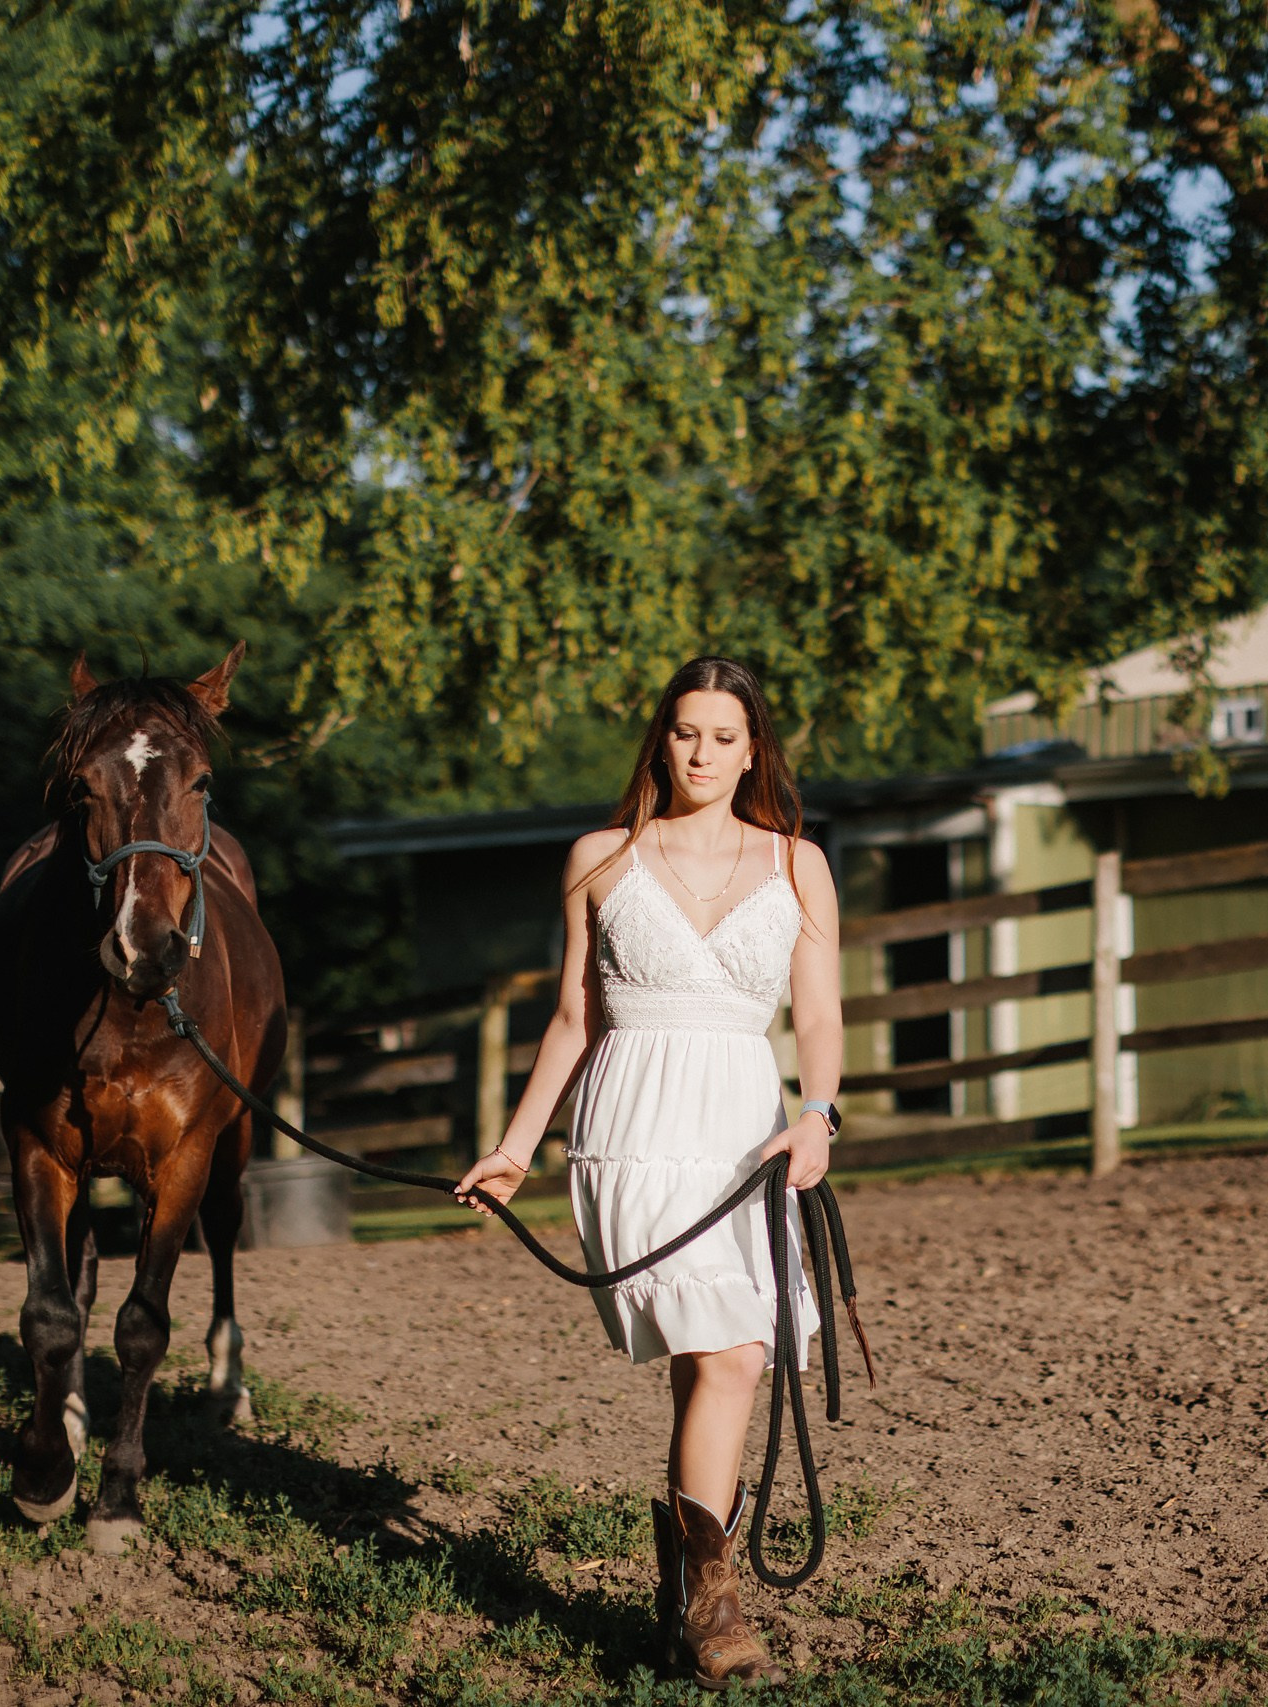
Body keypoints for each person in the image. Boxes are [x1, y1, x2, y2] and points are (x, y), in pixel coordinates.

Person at [456, 656, 841, 1689]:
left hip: (749, 1130)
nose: (703, 753)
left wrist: (818, 1115)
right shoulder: (600, 857)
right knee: (730, 1352)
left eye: (724, 736)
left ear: (752, 748)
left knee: (715, 1358)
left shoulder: (797, 863)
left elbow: (819, 1014)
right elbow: (576, 1017)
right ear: (659, 741)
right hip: (633, 1124)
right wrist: (516, 1146)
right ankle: (715, 1612)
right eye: (685, 733)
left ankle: (682, 1604)